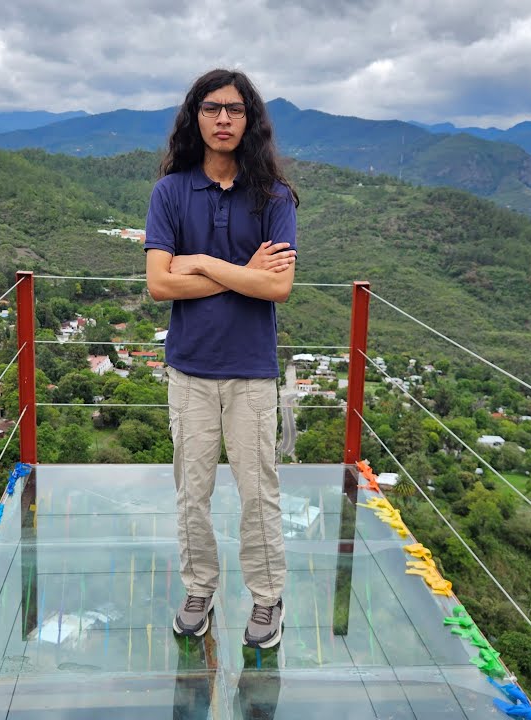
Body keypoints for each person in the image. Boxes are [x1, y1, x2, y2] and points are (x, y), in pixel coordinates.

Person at [144, 68, 299, 649]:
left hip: (252, 371)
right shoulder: (171, 192)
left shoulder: (274, 198)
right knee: (193, 491)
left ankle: (266, 597)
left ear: (249, 119)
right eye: (213, 109)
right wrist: (241, 272)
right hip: (189, 369)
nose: (224, 120)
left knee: (259, 491)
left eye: (235, 110)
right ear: (196, 117)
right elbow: (159, 284)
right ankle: (199, 587)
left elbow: (278, 289)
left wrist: (201, 263)